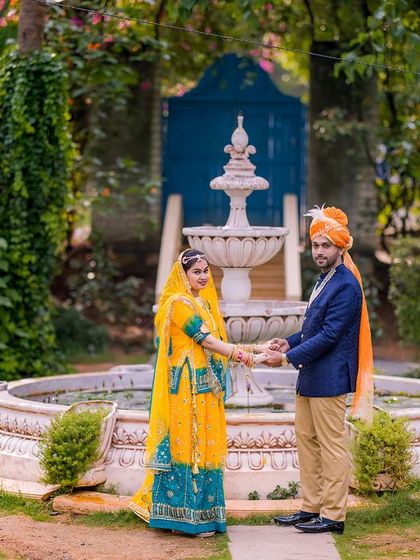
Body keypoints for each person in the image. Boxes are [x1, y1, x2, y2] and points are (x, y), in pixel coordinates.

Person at [128, 249, 270, 536]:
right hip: (186, 385)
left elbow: (218, 340)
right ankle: (182, 519)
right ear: (184, 274)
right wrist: (244, 356)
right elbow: (206, 341)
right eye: (197, 271)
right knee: (187, 444)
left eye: (206, 271)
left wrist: (257, 349)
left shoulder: (203, 301)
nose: (204, 276)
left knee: (205, 444)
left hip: (206, 384)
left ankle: (203, 515)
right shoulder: (179, 304)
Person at [266, 205, 373, 535]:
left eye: (326, 245)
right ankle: (310, 507)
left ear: (341, 247)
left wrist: (286, 359)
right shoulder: (324, 279)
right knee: (307, 442)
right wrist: (288, 342)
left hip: (330, 377)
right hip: (311, 374)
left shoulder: (347, 285)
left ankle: (333, 516)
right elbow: (314, 327)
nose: (319, 251)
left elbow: (330, 335)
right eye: (315, 245)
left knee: (331, 446)